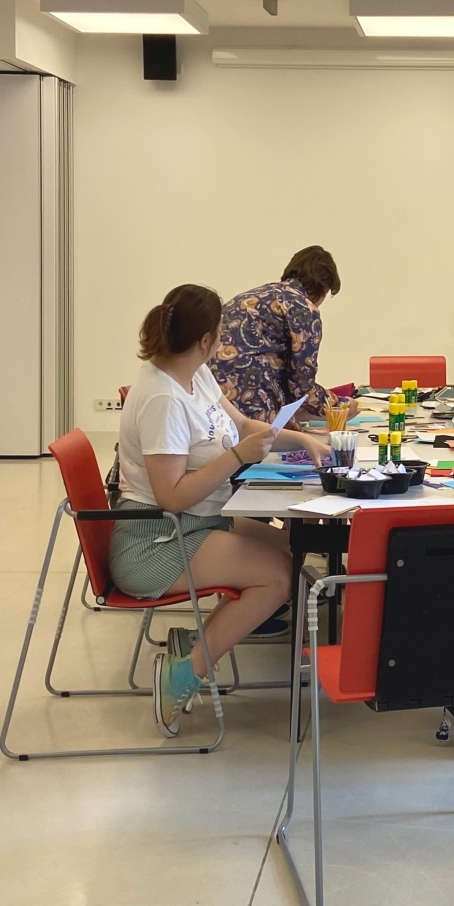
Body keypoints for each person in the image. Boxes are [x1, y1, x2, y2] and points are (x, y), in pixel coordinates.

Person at [111, 284, 332, 735]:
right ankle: (184, 673)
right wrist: (236, 457)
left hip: (193, 521)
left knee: (293, 550)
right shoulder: (163, 398)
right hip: (155, 541)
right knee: (279, 577)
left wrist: (304, 440)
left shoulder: (195, 375)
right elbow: (171, 496)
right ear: (205, 339)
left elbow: (244, 426)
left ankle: (197, 643)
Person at [211, 245, 350, 424]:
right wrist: (341, 405)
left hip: (212, 398)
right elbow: (301, 386)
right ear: (323, 288)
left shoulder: (250, 296)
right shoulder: (303, 308)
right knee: (293, 438)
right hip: (252, 400)